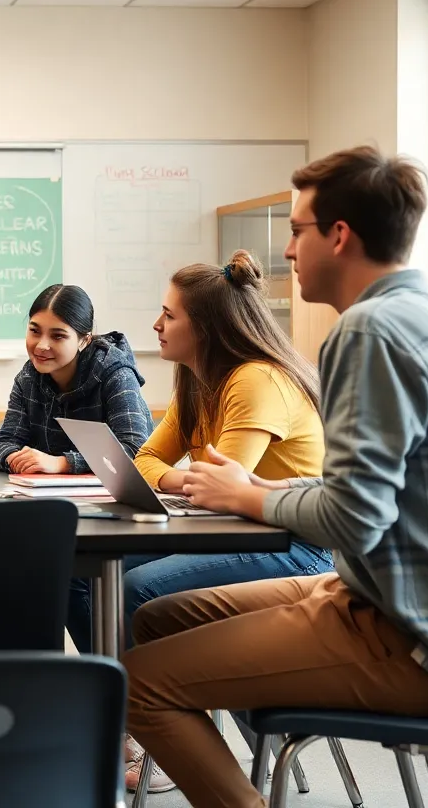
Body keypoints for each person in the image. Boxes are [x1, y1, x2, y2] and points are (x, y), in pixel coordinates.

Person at [122, 147, 428, 808]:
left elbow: (354, 517)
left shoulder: (371, 332)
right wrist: (259, 493)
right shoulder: (423, 318)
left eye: (298, 231)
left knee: (134, 684)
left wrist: (250, 494)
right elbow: (356, 496)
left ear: (340, 235)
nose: (288, 250)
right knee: (160, 616)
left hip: (406, 635)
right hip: (394, 601)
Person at [119, 250, 333, 793]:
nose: (156, 324)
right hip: (240, 532)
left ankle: (163, 734)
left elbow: (221, 487)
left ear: (207, 328)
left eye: (169, 315)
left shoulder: (256, 379)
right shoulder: (196, 381)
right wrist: (177, 479)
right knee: (83, 573)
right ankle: (128, 725)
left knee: (139, 587)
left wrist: (181, 478)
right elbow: (145, 461)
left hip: (295, 546)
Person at [0, 283, 152, 656]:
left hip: (124, 512)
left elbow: (136, 451)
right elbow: (2, 445)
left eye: (57, 335)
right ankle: (72, 674)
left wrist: (61, 462)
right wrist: (17, 457)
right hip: (65, 512)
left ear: (83, 340)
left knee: (68, 573)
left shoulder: (114, 373)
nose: (41, 345)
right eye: (34, 330)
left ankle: (114, 673)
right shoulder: (29, 378)